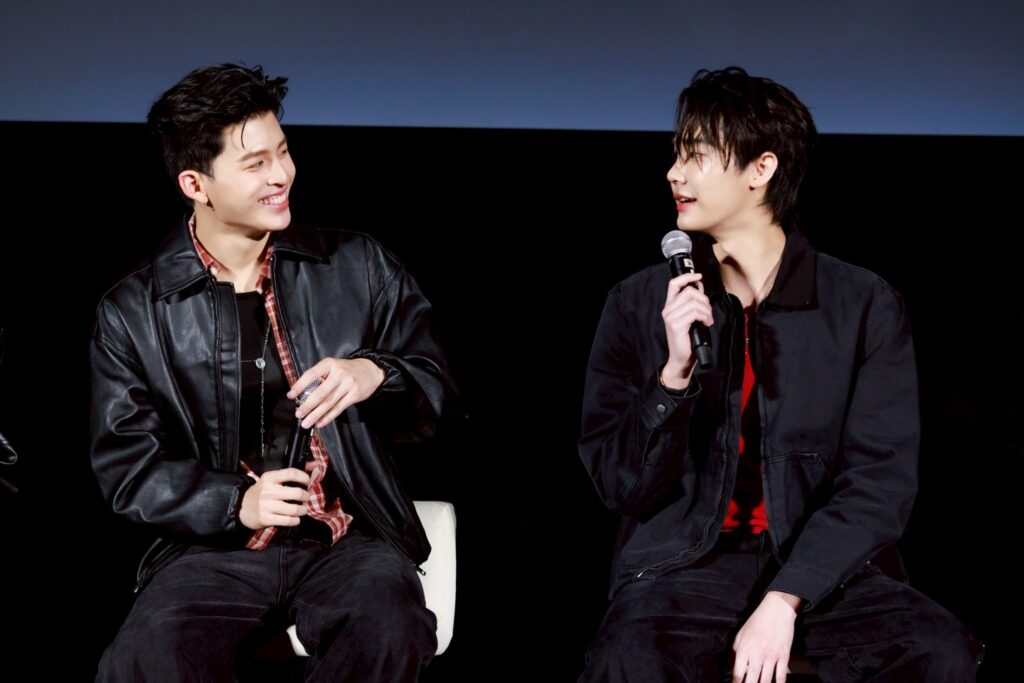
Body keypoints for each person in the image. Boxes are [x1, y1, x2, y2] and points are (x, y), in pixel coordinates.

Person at [577, 66, 980, 682]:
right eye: (675, 156)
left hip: (824, 568)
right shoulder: (638, 304)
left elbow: (879, 482)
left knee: (938, 649)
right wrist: (673, 377)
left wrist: (786, 595)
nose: (674, 173)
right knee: (627, 657)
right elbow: (620, 486)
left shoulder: (860, 304)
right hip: (684, 569)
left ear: (761, 168)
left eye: (695, 155)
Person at [90, 63, 458, 682]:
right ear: (196, 184)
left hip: (346, 537)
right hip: (211, 551)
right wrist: (236, 502)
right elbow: (128, 467)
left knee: (389, 625)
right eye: (255, 163)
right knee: (148, 652)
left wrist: (377, 374)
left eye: (282, 152)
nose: (281, 175)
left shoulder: (358, 265)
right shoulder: (133, 311)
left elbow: (439, 396)